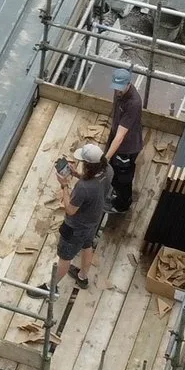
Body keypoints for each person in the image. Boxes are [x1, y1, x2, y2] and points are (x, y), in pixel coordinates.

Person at [52, 142, 110, 289]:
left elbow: (70, 210)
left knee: (65, 258)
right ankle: (82, 277)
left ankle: (51, 287)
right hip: (92, 222)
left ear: (88, 165)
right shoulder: (108, 171)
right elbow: (93, 179)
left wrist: (64, 185)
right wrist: (77, 174)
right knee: (87, 245)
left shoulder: (83, 188)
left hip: (75, 228)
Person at [104, 68, 145, 214]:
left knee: (123, 177)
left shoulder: (134, 102)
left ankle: (122, 204)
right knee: (113, 171)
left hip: (127, 147)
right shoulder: (118, 92)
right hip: (115, 138)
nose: (117, 92)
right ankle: (114, 190)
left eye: (121, 89)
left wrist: (106, 158)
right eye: (116, 88)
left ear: (129, 84)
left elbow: (121, 136)